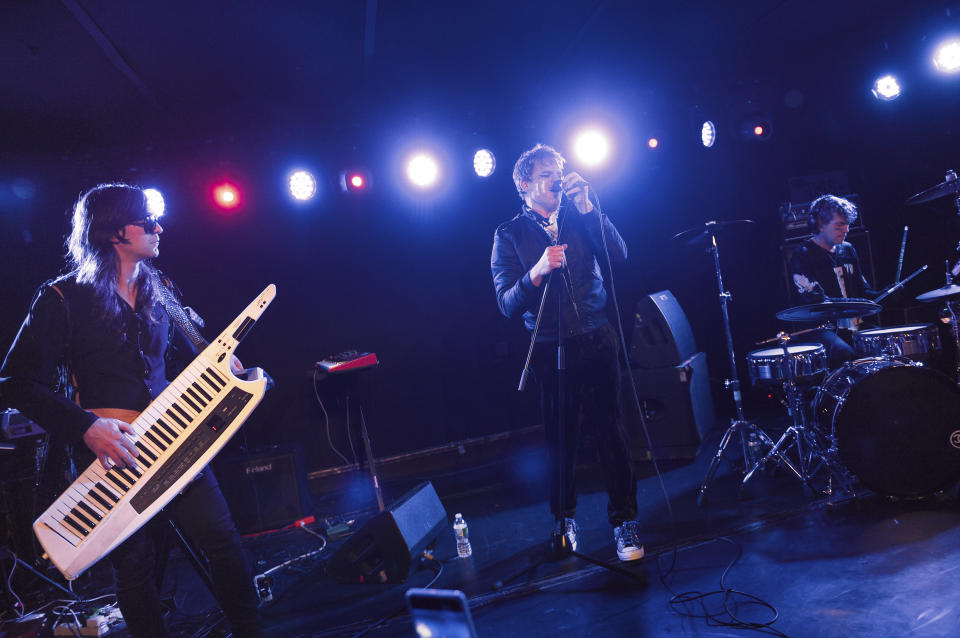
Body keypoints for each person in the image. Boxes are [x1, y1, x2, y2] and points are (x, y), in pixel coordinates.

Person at [0, 184, 263, 637]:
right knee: (136, 567)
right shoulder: (62, 297)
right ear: (114, 232)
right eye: (147, 222)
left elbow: (194, 350)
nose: (159, 229)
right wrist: (85, 428)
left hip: (176, 437)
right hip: (113, 451)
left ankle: (253, 629)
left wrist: (221, 363)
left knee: (220, 539)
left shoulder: (159, 287)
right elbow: (17, 381)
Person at [490, 144, 643, 562]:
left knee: (612, 430)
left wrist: (590, 207)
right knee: (562, 439)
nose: (557, 178)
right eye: (546, 173)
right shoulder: (509, 234)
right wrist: (537, 271)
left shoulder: (580, 214)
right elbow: (506, 303)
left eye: (559, 170)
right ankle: (564, 519)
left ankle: (624, 521)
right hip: (549, 347)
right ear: (524, 184)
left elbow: (619, 255)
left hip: (596, 336)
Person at [790, 194, 878, 367]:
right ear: (821, 225)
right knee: (844, 353)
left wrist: (887, 293)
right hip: (822, 329)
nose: (846, 230)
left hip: (854, 324)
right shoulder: (803, 254)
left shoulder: (848, 250)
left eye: (847, 225)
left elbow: (863, 291)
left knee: (883, 343)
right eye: (839, 225)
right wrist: (857, 303)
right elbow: (817, 301)